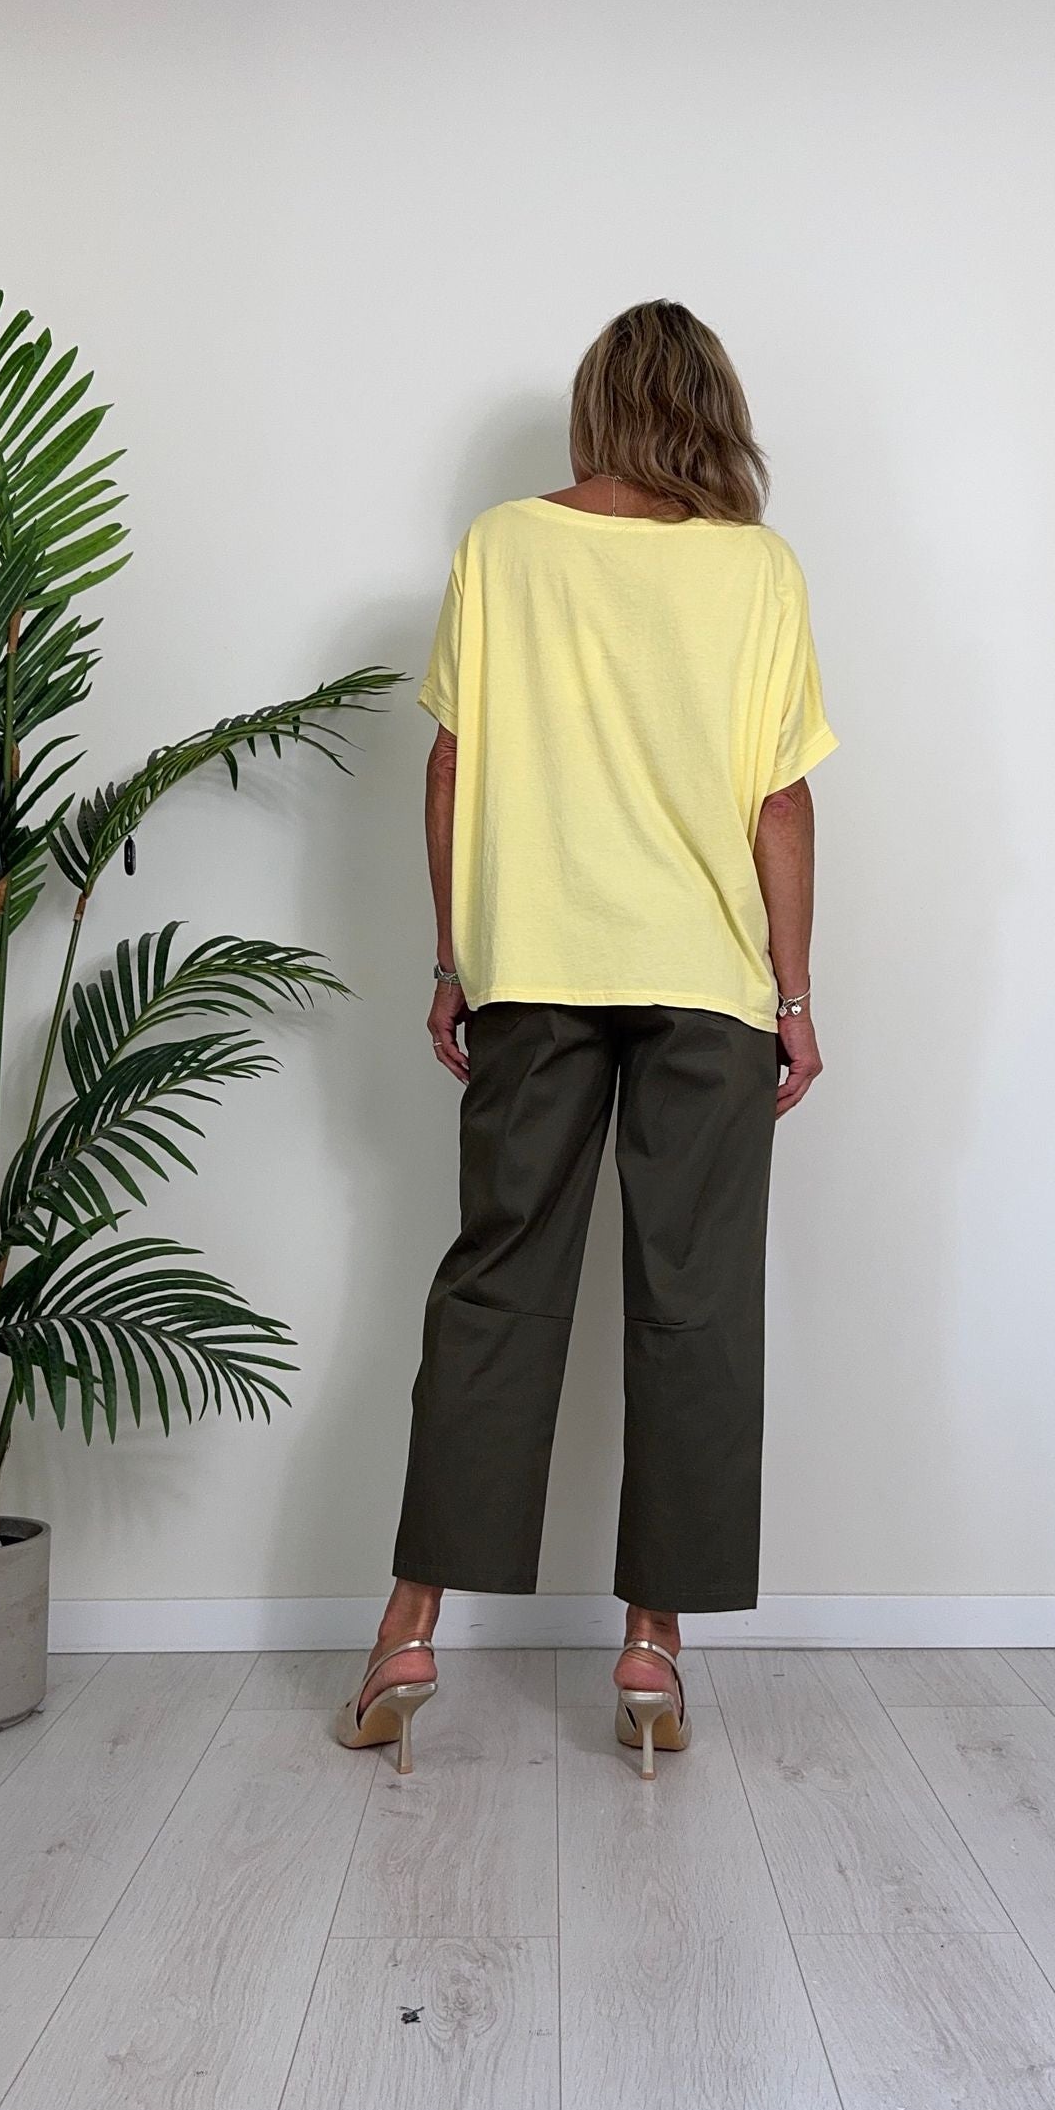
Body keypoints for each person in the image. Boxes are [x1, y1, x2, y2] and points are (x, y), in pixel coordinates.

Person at [336, 298, 838, 1779]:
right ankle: (651, 1649)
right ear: (712, 410)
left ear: (596, 405)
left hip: (534, 969)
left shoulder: (503, 547)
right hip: (706, 985)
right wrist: (794, 998)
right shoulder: (756, 568)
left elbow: (451, 766)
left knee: (495, 1286)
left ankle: (408, 1633)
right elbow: (780, 800)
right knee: (695, 1304)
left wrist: (454, 961)